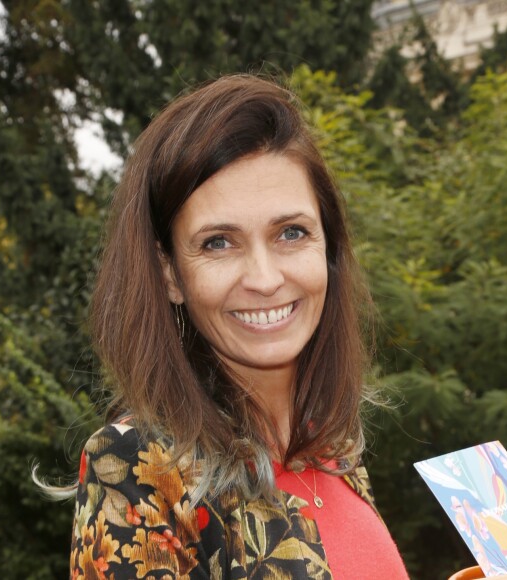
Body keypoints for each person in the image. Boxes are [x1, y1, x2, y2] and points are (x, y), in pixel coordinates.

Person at [67, 75, 410, 579]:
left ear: (328, 247)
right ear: (170, 275)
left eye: (291, 233)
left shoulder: (332, 450)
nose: (266, 279)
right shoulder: (140, 465)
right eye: (218, 243)